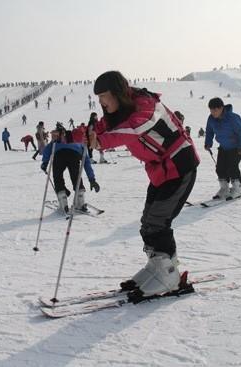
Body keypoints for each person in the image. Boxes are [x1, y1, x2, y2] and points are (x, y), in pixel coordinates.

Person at [89, 71, 199, 298]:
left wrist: (100, 142)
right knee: (148, 222)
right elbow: (101, 127)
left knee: (157, 222)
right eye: (98, 97)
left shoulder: (147, 107)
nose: (101, 102)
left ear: (118, 93)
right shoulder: (119, 111)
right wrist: (75, 136)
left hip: (180, 165)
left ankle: (169, 275)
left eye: (104, 96)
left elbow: (133, 129)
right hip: (161, 171)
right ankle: (158, 266)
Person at [40, 129, 100, 213]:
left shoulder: (56, 142)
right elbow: (86, 162)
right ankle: (80, 202)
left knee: (58, 176)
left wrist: (45, 163)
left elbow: (47, 150)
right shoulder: (80, 144)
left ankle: (63, 202)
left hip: (59, 154)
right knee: (76, 176)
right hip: (74, 155)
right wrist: (92, 179)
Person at [204, 97, 241, 200]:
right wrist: (208, 143)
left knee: (232, 167)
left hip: (236, 148)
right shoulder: (211, 119)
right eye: (211, 110)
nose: (213, 112)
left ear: (221, 108)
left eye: (215, 110)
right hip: (223, 147)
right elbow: (209, 131)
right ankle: (224, 188)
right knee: (220, 168)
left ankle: (237, 189)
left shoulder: (233, 118)